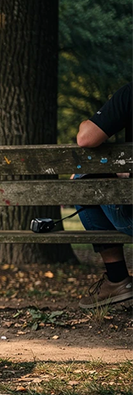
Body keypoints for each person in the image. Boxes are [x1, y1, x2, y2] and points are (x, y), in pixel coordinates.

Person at [74, 82, 132, 309]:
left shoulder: (129, 94)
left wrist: (84, 124)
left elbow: (86, 139)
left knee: (83, 179)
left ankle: (117, 279)